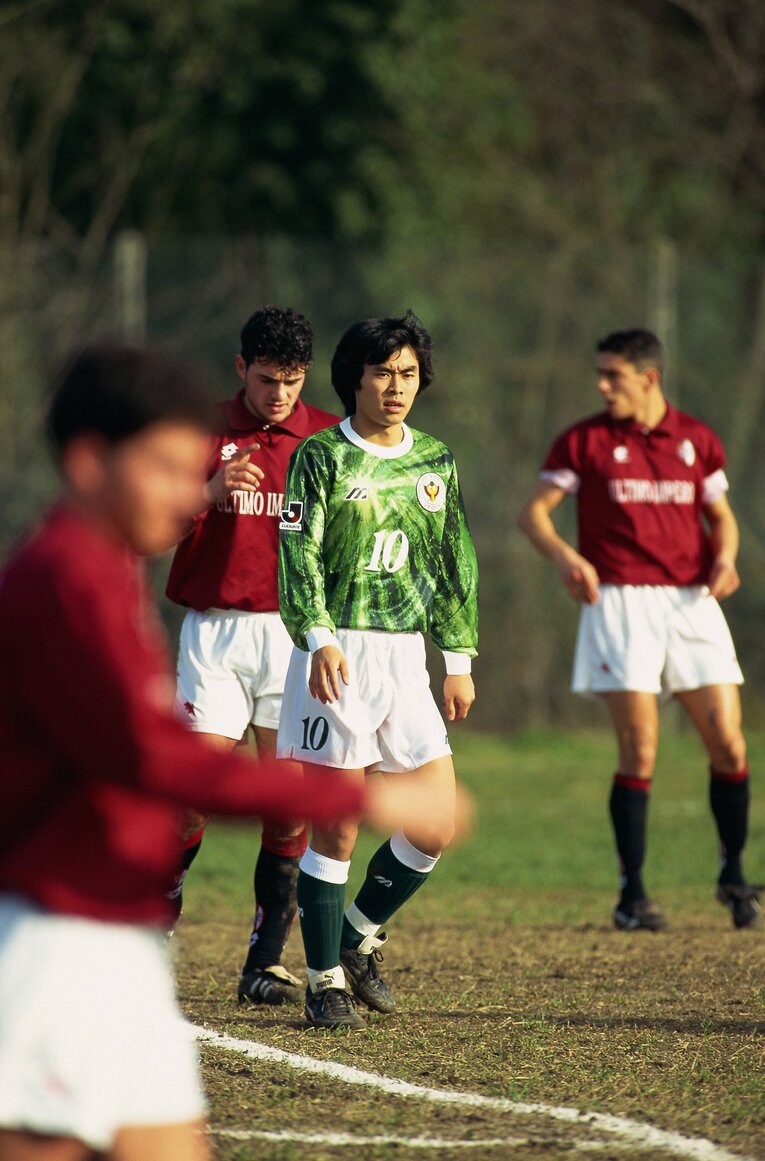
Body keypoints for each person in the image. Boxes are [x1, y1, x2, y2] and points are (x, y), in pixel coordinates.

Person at [0, 342, 449, 1161]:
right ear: (89, 460)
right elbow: (156, 762)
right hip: (54, 943)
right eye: (165, 468)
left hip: (110, 941)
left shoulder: (99, 570)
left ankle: (267, 956)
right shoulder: (60, 580)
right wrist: (364, 798)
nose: (187, 491)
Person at [517, 328, 760, 932]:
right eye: (600, 374)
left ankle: (733, 876)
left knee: (730, 744)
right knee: (642, 749)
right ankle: (633, 894)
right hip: (619, 602)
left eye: (613, 376)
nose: (602, 386)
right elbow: (534, 515)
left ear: (648, 378)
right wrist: (571, 559)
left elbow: (722, 520)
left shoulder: (697, 440)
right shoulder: (586, 440)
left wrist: (725, 559)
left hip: (691, 602)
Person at [276, 309, 479, 1029]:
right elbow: (297, 554)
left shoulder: (435, 459)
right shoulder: (320, 456)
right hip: (335, 655)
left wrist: (456, 657)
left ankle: (357, 935)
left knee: (435, 818)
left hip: (404, 656)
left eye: (408, 374)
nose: (396, 387)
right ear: (354, 378)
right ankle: (322, 978)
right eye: (382, 372)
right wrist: (319, 636)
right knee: (335, 829)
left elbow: (453, 560)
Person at [165, 306, 337, 1007]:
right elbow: (149, 520)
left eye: (293, 381)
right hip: (216, 632)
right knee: (188, 794)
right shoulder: (199, 430)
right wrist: (205, 493)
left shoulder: (327, 439)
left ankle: (262, 965)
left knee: (287, 808)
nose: (280, 395)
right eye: (267, 380)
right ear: (241, 369)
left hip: (296, 638)